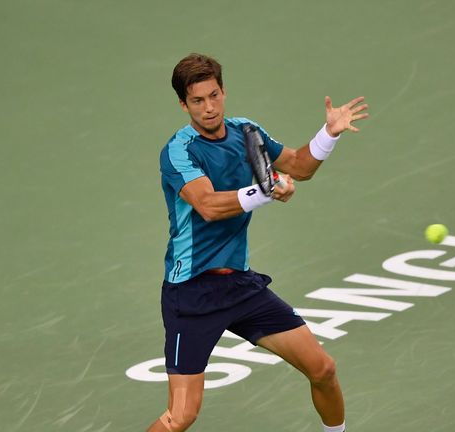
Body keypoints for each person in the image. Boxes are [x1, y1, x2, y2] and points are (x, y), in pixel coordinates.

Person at [147, 53, 368, 432]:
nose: (209, 107)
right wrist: (265, 191)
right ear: (183, 104)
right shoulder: (179, 151)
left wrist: (327, 134)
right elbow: (208, 205)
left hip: (240, 287)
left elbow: (298, 165)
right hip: (192, 295)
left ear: (224, 91)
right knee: (181, 416)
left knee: (323, 369)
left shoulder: (245, 131)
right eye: (197, 101)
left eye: (214, 95)